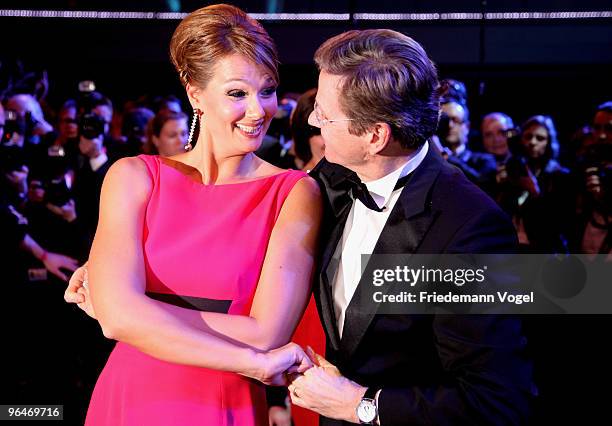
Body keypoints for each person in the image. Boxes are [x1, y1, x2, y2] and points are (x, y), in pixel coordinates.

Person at [63, 4, 319, 425]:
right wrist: (120, 312)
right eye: (237, 93)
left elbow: (267, 334)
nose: (259, 111)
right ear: (195, 93)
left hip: (224, 401)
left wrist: (130, 309)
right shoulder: (134, 177)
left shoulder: (292, 192)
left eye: (267, 90)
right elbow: (118, 320)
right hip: (131, 395)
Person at [287, 29, 533, 425]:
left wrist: (361, 405)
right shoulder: (331, 175)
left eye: (326, 114)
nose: (314, 120)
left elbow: (495, 399)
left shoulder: (468, 228)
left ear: (375, 136)